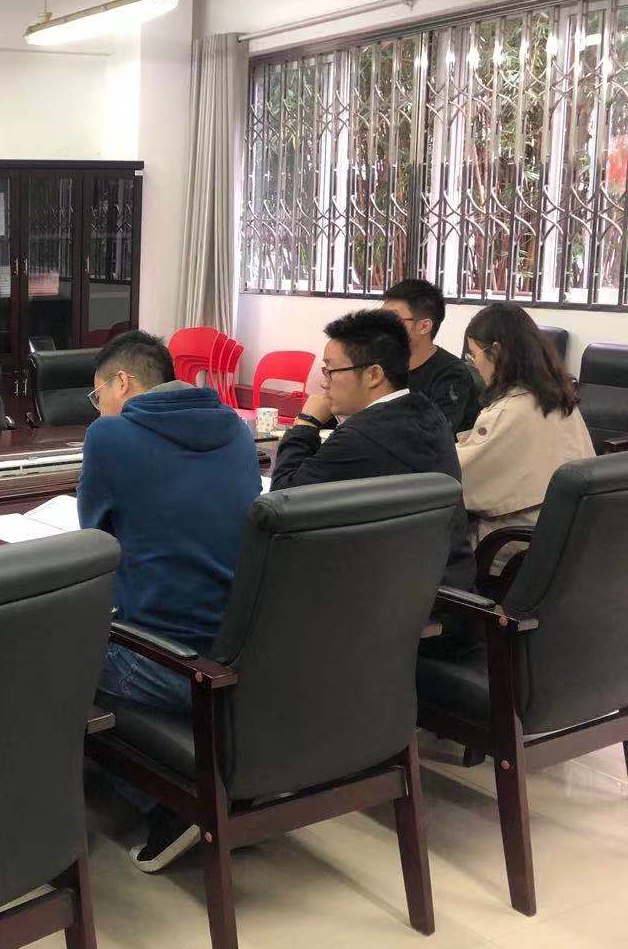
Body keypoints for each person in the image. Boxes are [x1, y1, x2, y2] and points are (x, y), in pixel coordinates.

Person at [77, 330, 261, 875]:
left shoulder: (109, 435)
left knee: (50, 658)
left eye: (98, 395)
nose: (99, 407)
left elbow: (93, 541)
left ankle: (172, 801)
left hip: (163, 661)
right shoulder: (235, 428)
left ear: (122, 383)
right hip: (244, 653)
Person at [271, 309, 475, 590]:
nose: (324, 382)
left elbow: (282, 501)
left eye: (331, 370)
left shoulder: (363, 436)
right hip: (442, 582)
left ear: (373, 375)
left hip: (394, 595)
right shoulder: (426, 412)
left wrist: (305, 423)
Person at [458, 303, 595, 549]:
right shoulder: (559, 398)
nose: (474, 365)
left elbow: (464, 478)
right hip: (568, 540)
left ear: (496, 351)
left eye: (473, 355)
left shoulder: (509, 411)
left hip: (514, 546)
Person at [382, 278, 482, 434]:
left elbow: (433, 436)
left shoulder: (452, 375)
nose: (381, 326)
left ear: (424, 326)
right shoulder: (379, 364)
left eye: (392, 319)